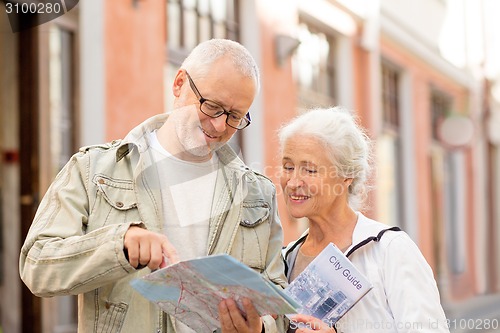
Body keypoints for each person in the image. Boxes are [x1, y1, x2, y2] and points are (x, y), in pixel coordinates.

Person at [19, 39, 287, 333]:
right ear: (179, 83)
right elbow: (37, 266)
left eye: (234, 116)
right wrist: (118, 245)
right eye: (212, 106)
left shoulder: (259, 195)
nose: (221, 126)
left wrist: (261, 329)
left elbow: (279, 303)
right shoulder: (93, 169)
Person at [279, 107, 450, 333]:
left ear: (346, 175)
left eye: (309, 170)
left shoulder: (389, 250)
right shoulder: (285, 260)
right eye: (288, 167)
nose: (292, 182)